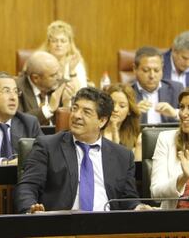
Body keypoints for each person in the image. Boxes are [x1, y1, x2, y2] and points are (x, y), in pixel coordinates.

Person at [14, 87, 151, 213]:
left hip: (107, 227)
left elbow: (127, 198)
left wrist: (138, 207)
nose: (76, 115)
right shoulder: (48, 146)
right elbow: (27, 187)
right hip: (61, 226)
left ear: (102, 121)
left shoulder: (122, 155)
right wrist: (30, 209)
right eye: (74, 108)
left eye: (86, 112)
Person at [151, 88, 189, 209]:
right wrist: (183, 178)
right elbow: (155, 193)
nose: (183, 113)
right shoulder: (166, 139)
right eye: (182, 107)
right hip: (175, 220)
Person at [16, 51, 75, 125]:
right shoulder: (16, 89)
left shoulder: (61, 85)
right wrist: (49, 109)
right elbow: (18, 122)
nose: (59, 77)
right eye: (53, 75)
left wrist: (66, 105)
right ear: (35, 78)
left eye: (58, 72)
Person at [132, 46, 183, 124]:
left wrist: (175, 113)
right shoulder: (126, 93)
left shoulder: (176, 89)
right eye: (146, 70)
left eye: (156, 70)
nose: (152, 76)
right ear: (135, 69)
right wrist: (132, 114)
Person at [38, 20, 87, 90]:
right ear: (48, 44)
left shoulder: (75, 63)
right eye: (54, 41)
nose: (59, 45)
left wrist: (72, 71)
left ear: (70, 44)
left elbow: (82, 91)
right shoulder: (41, 63)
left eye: (63, 41)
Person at [103, 83, 142, 161]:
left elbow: (136, 170)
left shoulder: (134, 137)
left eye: (122, 106)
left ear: (129, 111)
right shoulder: (94, 132)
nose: (115, 109)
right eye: (112, 103)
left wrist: (139, 147)